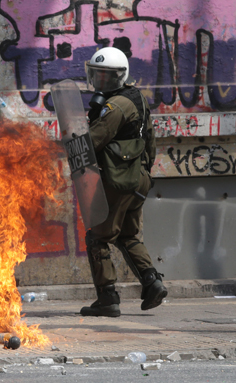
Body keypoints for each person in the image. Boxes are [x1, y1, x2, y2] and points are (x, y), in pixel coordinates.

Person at [79, 46, 167, 317]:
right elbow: (150, 142)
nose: (101, 82)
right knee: (128, 235)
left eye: (108, 77)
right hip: (138, 179)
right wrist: (143, 174)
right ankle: (152, 282)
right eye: (98, 76)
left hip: (117, 181)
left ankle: (107, 298)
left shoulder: (115, 106)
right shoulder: (137, 98)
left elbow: (92, 141)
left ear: (120, 76)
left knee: (98, 237)